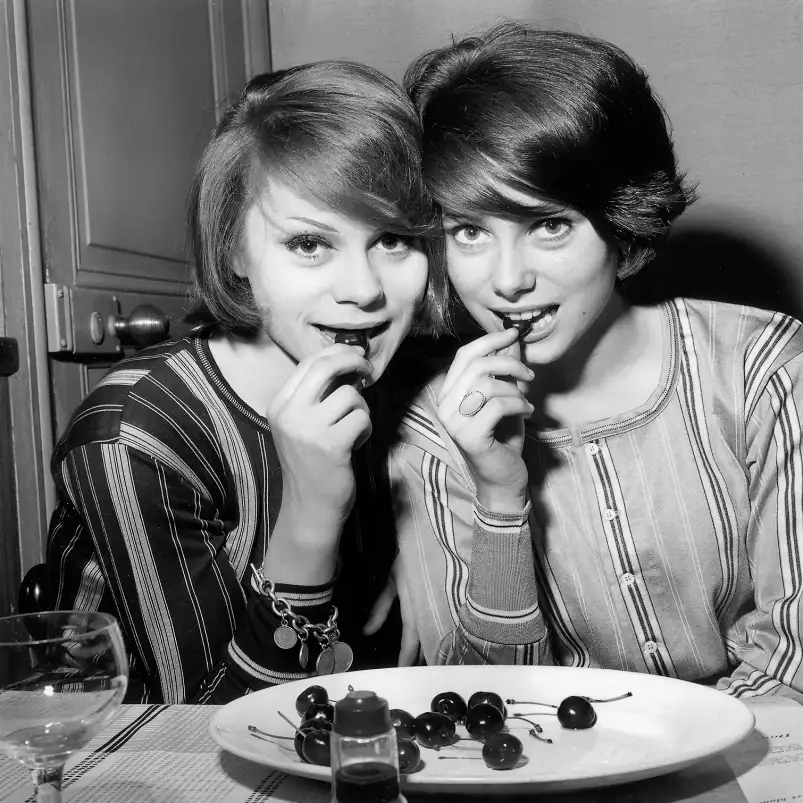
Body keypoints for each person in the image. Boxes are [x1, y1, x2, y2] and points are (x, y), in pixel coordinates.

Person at [390, 23, 803, 701]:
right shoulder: (434, 434)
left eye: (548, 224)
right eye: (468, 231)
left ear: (622, 224)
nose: (506, 279)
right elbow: (482, 704)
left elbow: (793, 661)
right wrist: (500, 498)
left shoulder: (761, 371)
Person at [45, 60, 446, 704]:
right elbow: (206, 729)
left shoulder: (382, 376)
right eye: (311, 244)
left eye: (395, 240)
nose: (365, 290)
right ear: (233, 248)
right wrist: (311, 517)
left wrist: (427, 537)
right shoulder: (137, 435)